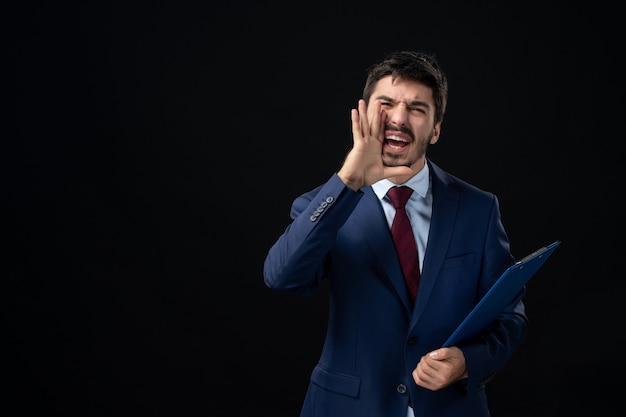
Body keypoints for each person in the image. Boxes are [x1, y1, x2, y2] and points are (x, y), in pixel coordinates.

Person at [263, 50, 528, 417]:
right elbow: (282, 277)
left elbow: (510, 314)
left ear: (435, 128)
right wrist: (349, 181)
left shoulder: (478, 210)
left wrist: (467, 362)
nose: (399, 118)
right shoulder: (322, 204)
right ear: (363, 114)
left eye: (417, 109)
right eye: (386, 103)